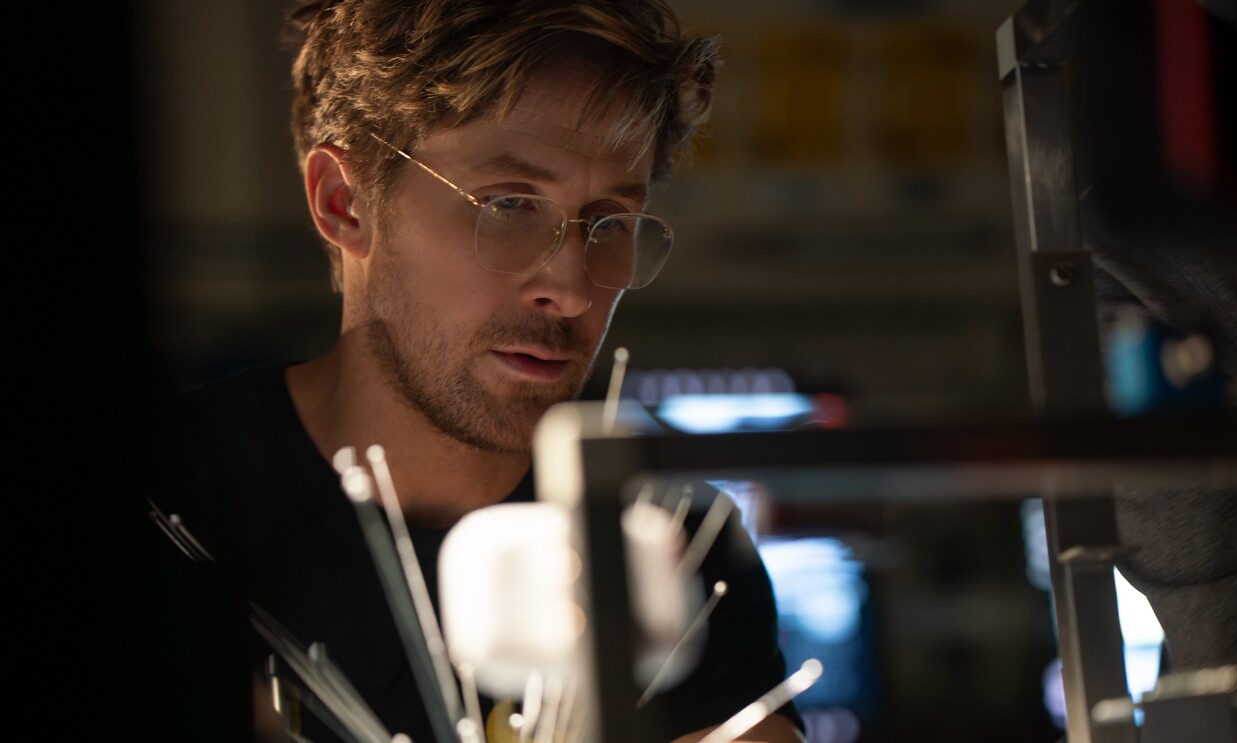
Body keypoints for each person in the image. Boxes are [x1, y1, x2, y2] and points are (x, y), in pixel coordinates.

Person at [145, 1, 805, 742]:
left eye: (609, 222)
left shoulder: (670, 546)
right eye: (510, 204)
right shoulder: (167, 503)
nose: (572, 285)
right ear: (345, 202)